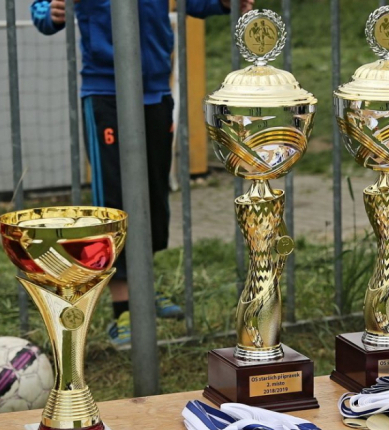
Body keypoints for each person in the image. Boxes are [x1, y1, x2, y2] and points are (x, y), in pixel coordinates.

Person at [31, 0, 254, 347]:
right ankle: (122, 308)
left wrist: (223, 3)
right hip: (105, 93)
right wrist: (49, 12)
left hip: (156, 91)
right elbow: (42, 9)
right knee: (114, 202)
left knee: (153, 197)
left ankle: (144, 289)